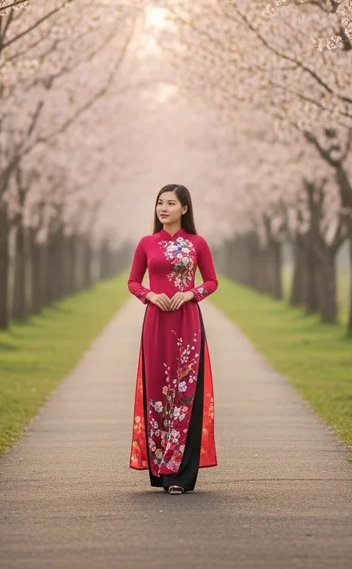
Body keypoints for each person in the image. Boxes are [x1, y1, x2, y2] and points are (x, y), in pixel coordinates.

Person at [127, 183, 219, 494]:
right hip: (155, 323)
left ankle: (180, 475)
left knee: (185, 394)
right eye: (160, 203)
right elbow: (132, 282)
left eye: (170, 203)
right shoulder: (146, 243)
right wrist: (150, 295)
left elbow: (212, 281)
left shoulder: (197, 243)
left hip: (187, 322)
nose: (163, 208)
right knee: (156, 392)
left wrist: (190, 294)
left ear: (185, 208)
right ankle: (161, 471)